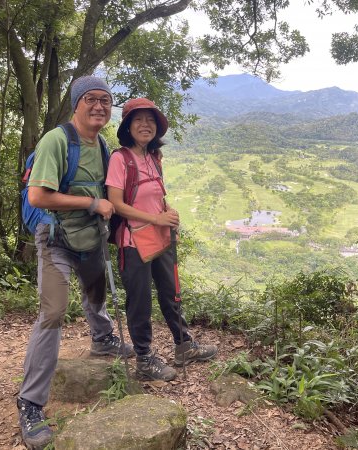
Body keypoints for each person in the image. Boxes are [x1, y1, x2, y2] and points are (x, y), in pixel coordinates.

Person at [16, 76, 133, 449]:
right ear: (76, 104)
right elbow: (37, 196)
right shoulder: (57, 140)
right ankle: (30, 402)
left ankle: (102, 339)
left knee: (96, 292)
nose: (99, 106)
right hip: (55, 239)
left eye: (106, 100)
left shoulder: (101, 145)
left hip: (90, 237)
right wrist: (90, 204)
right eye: (91, 100)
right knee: (53, 312)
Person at [106, 98, 217, 381]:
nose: (145, 125)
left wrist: (168, 211)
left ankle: (184, 345)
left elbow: (157, 195)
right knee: (140, 300)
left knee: (171, 292)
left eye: (151, 120)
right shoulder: (121, 159)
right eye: (138, 120)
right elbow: (116, 204)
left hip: (160, 237)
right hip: (133, 242)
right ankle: (144, 358)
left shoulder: (154, 158)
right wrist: (156, 219)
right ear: (128, 127)